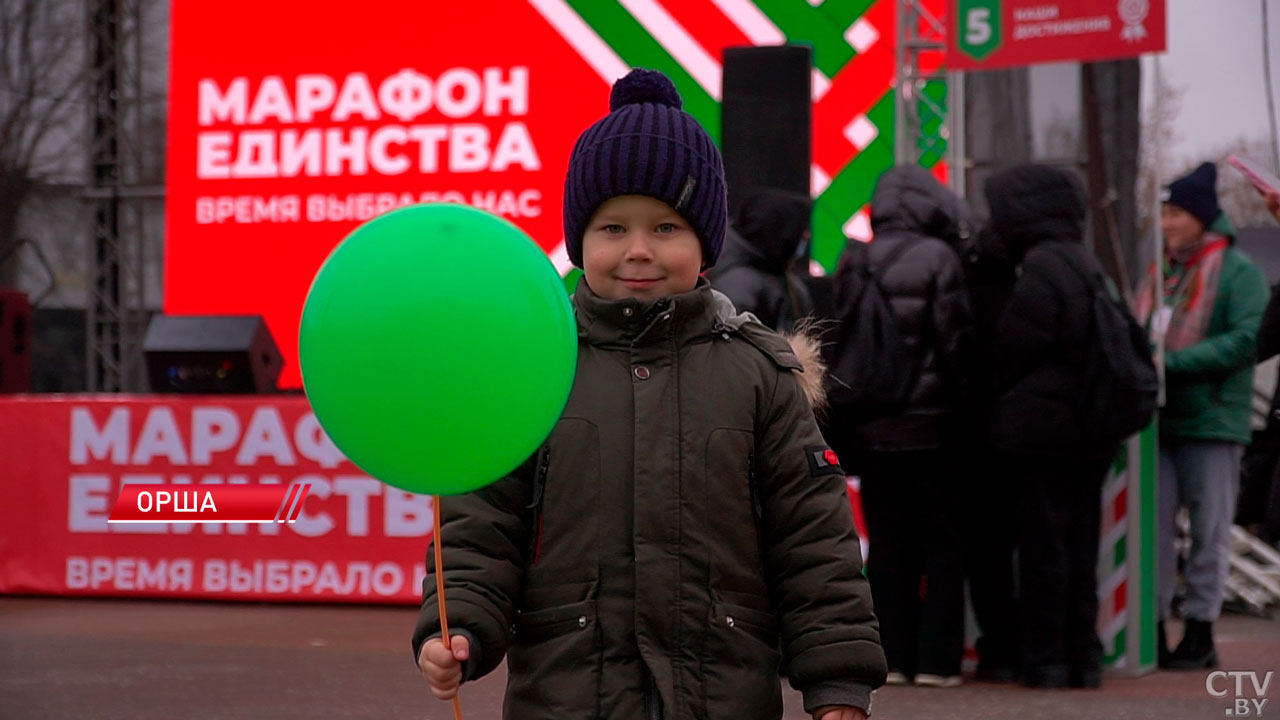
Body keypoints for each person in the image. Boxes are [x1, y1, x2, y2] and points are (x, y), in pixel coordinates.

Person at [411, 68, 886, 720]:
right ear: (579, 239)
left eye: (666, 228)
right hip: (567, 701)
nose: (638, 250)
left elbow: (814, 545)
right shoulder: (530, 373)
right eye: (612, 229)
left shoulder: (760, 376)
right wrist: (456, 624)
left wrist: (838, 684)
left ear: (706, 242)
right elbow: (479, 527)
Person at [824, 165, 973, 688]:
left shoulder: (855, 259)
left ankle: (889, 655)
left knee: (888, 545)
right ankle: (936, 661)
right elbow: (955, 347)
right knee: (944, 543)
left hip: (873, 428)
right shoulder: (940, 258)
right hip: (933, 430)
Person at [985, 164, 1117, 689]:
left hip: (1042, 434)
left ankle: (1045, 659)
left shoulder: (1041, 267)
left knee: (1043, 547)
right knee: (1082, 546)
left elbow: (1014, 346)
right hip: (1089, 431)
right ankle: (1083, 657)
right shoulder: (1086, 263)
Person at [1135, 162, 1268, 669]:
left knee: (1210, 531)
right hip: (1159, 423)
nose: (1167, 224)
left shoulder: (1238, 272)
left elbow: (1248, 339)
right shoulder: (1160, 270)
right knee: (1154, 533)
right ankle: (1153, 628)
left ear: (1203, 217)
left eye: (1177, 213)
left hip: (1213, 423)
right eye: (1164, 213)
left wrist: (1173, 366)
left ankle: (1201, 631)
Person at [709, 188, 815, 332]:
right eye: (800, 231)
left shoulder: (783, 279)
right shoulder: (738, 284)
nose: (807, 236)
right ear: (781, 231)